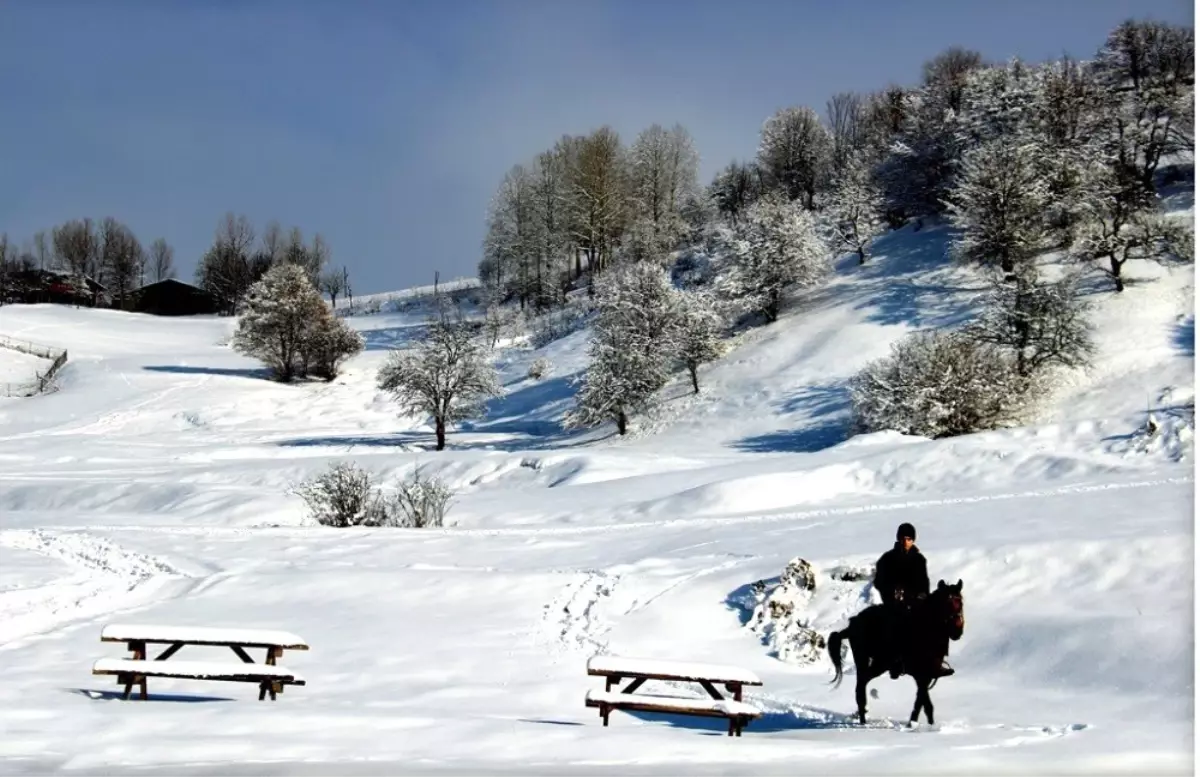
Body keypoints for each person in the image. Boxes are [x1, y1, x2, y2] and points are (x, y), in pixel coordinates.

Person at [873, 522, 932, 679]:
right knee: (896, 627)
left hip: (915, 602)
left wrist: (923, 595)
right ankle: (895, 662)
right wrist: (892, 592)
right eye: (904, 538)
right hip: (894, 604)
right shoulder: (887, 559)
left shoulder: (920, 560)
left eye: (909, 539)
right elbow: (879, 582)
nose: (906, 541)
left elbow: (924, 583)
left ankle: (934, 660)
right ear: (898, 539)